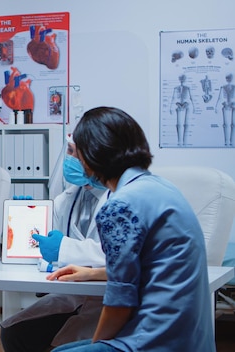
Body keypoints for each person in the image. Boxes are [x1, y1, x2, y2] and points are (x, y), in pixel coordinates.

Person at [49, 106, 215, 351]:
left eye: (77, 153)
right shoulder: (159, 187)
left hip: (157, 340)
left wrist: (97, 346)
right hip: (191, 338)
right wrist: (92, 273)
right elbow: (149, 264)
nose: (75, 161)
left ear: (94, 154)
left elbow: (120, 304)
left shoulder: (120, 205)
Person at [0, 135, 109, 352]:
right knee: (14, 331)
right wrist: (26, 220)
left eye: (75, 152)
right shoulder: (65, 200)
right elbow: (43, 246)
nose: (69, 159)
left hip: (107, 301)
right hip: (72, 294)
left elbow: (113, 256)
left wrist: (64, 249)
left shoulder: (119, 199)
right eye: (68, 150)